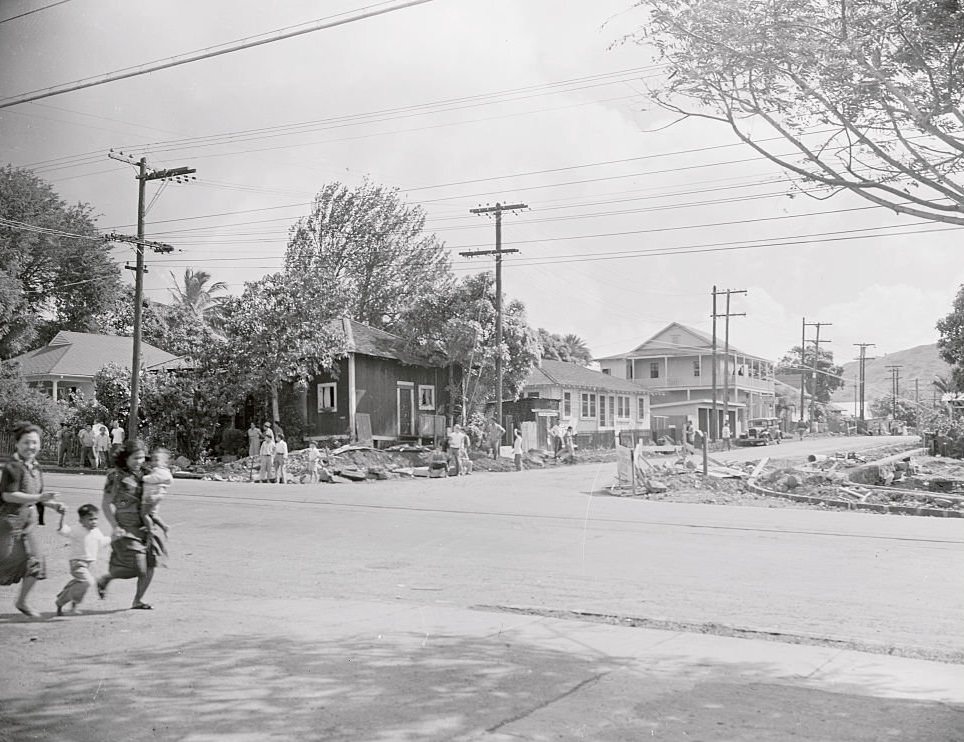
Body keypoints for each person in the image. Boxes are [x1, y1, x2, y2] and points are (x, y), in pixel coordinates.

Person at [0, 421, 65, 617]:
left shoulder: (36, 468)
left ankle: (22, 602)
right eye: (27, 443)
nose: (31, 447)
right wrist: (39, 498)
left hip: (28, 524)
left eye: (35, 443)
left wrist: (53, 505)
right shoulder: (12, 468)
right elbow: (8, 496)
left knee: (36, 563)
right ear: (17, 444)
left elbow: (38, 495)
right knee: (5, 565)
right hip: (8, 524)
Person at [96, 439, 158, 610]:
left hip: (146, 524)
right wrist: (115, 526)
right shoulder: (115, 476)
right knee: (138, 566)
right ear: (125, 458)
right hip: (126, 524)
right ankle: (106, 578)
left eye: (141, 458)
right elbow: (106, 504)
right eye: (135, 458)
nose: (139, 462)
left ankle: (137, 600)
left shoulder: (146, 475)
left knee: (150, 565)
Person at [54, 503, 111, 616]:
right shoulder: (76, 529)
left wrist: (115, 537)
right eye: (90, 519)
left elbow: (102, 542)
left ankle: (70, 603)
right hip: (77, 563)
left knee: (82, 586)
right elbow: (62, 530)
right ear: (81, 520)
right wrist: (62, 516)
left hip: (89, 564)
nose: (94, 522)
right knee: (87, 582)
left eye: (95, 519)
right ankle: (61, 601)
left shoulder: (96, 531)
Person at [141, 449, 172, 565]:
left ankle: (150, 530)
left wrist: (144, 479)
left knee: (144, 514)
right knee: (153, 515)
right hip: (152, 496)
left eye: (157, 460)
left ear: (164, 463)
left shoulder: (161, 472)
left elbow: (154, 479)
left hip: (152, 496)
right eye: (153, 460)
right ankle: (164, 527)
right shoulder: (157, 470)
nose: (153, 462)